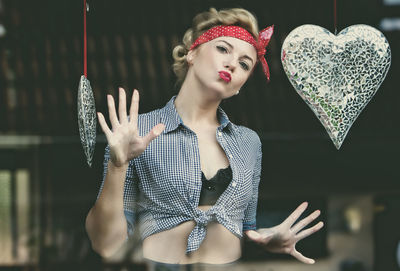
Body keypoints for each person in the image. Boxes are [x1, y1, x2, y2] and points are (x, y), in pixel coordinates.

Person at [85, 7, 324, 268]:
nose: (233, 63)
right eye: (223, 49)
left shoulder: (249, 142)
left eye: (245, 64)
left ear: (240, 86)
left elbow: (246, 228)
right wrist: (117, 166)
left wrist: (265, 240)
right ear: (191, 53)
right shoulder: (135, 130)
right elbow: (106, 245)